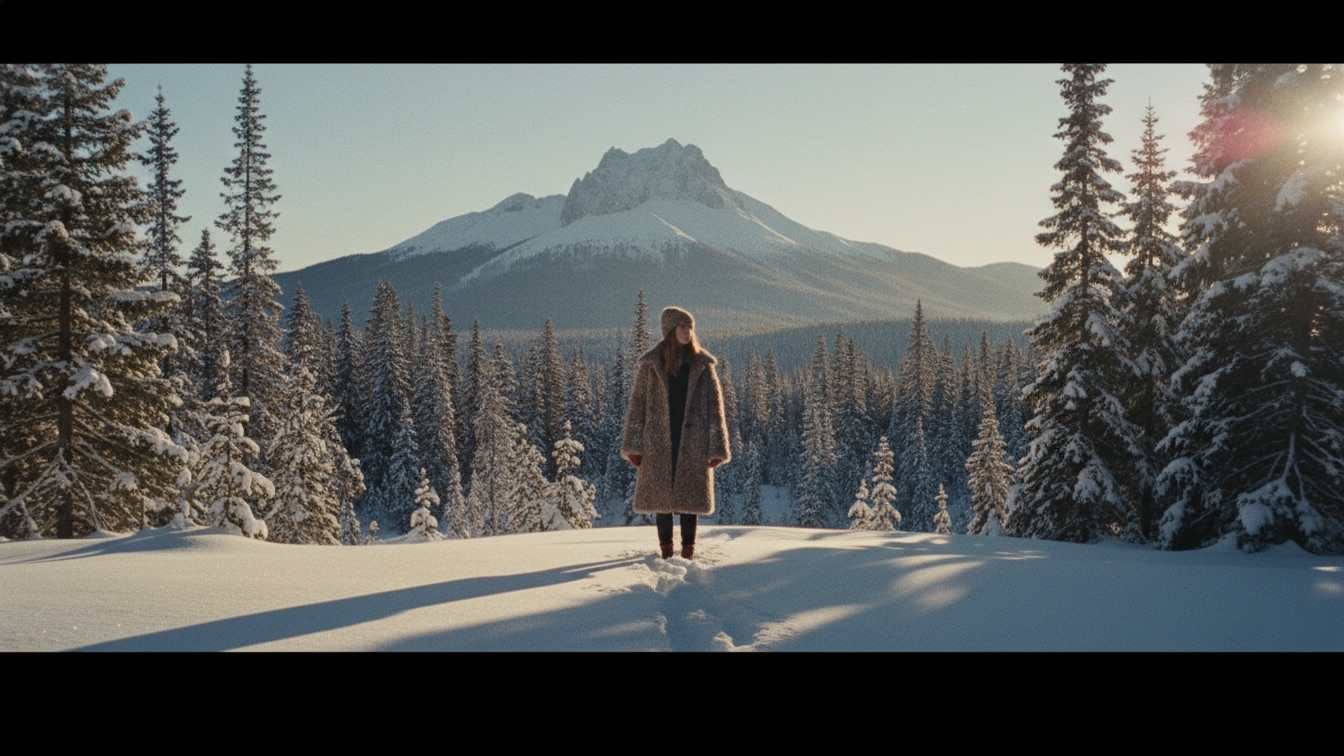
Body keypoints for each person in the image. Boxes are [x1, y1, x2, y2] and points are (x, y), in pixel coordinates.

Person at [622, 306, 731, 559]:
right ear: (670, 331)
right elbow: (637, 407)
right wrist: (634, 447)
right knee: (662, 498)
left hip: (693, 439)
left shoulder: (703, 365)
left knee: (689, 497)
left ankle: (688, 550)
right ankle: (666, 550)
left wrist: (717, 447)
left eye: (690, 327)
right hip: (659, 440)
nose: (688, 331)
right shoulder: (651, 365)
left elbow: (716, 410)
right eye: (682, 327)